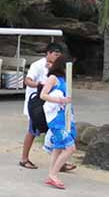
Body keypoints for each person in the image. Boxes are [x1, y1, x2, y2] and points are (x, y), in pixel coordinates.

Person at [19, 43, 75, 171]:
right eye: (55, 54)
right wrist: (39, 84)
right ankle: (24, 158)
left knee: (54, 132)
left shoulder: (57, 67)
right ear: (48, 53)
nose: (56, 57)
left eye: (58, 56)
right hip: (37, 104)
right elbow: (27, 81)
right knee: (33, 131)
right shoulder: (37, 65)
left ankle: (59, 163)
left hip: (52, 106)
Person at [40, 55, 77, 190]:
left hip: (65, 117)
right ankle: (54, 174)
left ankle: (52, 174)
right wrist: (60, 101)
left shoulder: (63, 80)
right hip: (56, 120)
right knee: (70, 148)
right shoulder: (53, 78)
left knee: (58, 147)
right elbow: (43, 95)